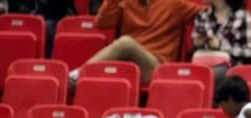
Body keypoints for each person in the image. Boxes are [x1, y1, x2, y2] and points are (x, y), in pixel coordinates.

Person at [71, 0, 204, 87]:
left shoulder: (174, 4)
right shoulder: (127, 2)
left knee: (126, 43)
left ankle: (76, 77)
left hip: (157, 67)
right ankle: (82, 79)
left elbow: (207, 14)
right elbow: (102, 23)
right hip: (127, 65)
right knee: (125, 45)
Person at [192, 0, 251, 87]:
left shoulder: (243, 16)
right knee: (186, 72)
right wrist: (200, 42)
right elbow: (196, 42)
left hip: (231, 65)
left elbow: (249, 50)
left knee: (213, 74)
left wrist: (222, 45)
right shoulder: (202, 15)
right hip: (205, 61)